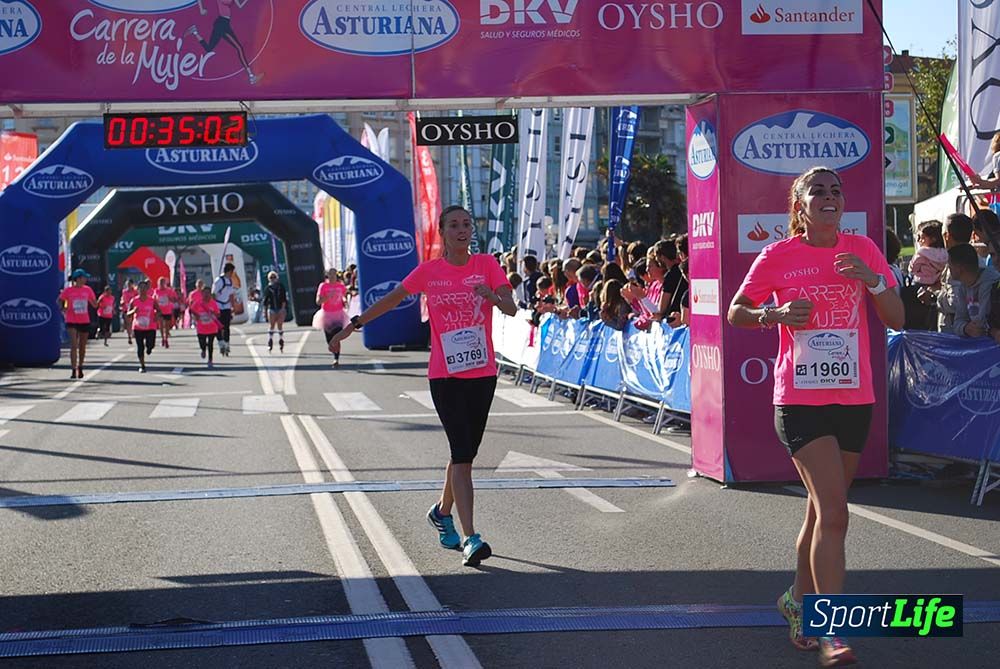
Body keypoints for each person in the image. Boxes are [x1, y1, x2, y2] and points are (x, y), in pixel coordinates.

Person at [726, 167, 903, 667]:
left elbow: (896, 317)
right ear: (800, 206)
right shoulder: (778, 255)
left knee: (820, 510)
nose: (829, 197)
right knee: (835, 512)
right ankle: (831, 630)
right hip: (800, 400)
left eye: (835, 190)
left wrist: (872, 280)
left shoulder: (863, 249)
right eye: (817, 191)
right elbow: (737, 310)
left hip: (853, 398)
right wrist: (775, 315)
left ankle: (796, 601)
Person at [330, 205, 517, 567]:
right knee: (462, 455)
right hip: (445, 375)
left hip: (482, 373)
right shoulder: (430, 271)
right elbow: (391, 300)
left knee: (465, 455)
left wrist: (493, 297)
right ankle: (471, 537)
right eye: (454, 225)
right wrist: (353, 325)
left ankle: (441, 512)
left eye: (466, 224)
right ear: (442, 232)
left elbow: (511, 307)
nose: (461, 230)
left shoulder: (487, 265)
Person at [186, 0, 262, 85]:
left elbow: (240, 6)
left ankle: (195, 32)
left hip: (223, 23)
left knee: (209, 48)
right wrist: (201, 9)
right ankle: (251, 77)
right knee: (239, 48)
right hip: (222, 24)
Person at [950, 243, 1000, 338]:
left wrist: (976, 328)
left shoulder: (990, 283)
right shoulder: (963, 286)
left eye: (950, 265)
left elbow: (984, 322)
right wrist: (965, 328)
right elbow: (958, 321)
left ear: (960, 268)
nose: (949, 268)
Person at [58, 269, 98, 379]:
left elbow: (94, 304)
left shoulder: (88, 290)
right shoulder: (68, 290)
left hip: (84, 320)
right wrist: (63, 309)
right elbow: (60, 300)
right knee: (74, 345)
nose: (86, 279)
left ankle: (80, 366)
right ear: (78, 278)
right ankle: (73, 369)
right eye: (84, 277)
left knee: (82, 346)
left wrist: (97, 303)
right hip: (71, 320)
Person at [316, 268, 348, 367]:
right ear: (327, 275)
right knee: (329, 339)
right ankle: (334, 352)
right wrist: (325, 299)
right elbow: (318, 302)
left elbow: (345, 296)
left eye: (334, 274)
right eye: (330, 274)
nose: (332, 276)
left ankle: (336, 358)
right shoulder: (323, 286)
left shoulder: (341, 286)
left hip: (338, 314)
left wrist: (345, 301)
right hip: (327, 315)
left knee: (337, 336)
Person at [128, 280, 158, 373]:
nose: (142, 290)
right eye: (140, 288)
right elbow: (128, 314)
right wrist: (133, 311)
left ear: (147, 289)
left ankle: (149, 348)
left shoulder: (152, 300)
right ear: (138, 290)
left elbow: (159, 311)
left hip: (150, 326)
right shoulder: (134, 301)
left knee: (151, 344)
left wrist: (156, 316)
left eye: (144, 288)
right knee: (140, 347)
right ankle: (142, 366)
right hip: (138, 327)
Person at [908, 221, 948, 288]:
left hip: (921, 282)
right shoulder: (945, 253)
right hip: (938, 282)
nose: (919, 240)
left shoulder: (922, 253)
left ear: (933, 239)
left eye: (922, 238)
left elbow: (913, 268)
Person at [190, 285, 222, 368]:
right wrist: (196, 316)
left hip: (212, 327)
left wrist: (214, 313)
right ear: (202, 294)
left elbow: (218, 314)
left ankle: (210, 359)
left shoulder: (213, 303)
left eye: (208, 293)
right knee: (202, 343)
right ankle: (203, 350)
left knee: (210, 344)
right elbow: (191, 310)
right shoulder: (198, 303)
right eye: (205, 293)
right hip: (201, 328)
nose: (206, 295)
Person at [212, 263, 237, 356]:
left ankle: (227, 344)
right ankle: (221, 343)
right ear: (229, 271)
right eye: (232, 272)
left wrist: (233, 306)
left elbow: (231, 295)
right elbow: (213, 294)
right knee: (218, 326)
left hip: (226, 306)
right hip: (218, 306)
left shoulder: (230, 281)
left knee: (227, 326)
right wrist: (213, 307)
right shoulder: (219, 281)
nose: (232, 274)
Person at [262, 271, 289, 353]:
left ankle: (281, 340)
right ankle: (270, 341)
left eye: (274, 277)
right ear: (269, 279)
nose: (273, 279)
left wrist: (283, 309)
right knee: (272, 325)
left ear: (277, 278)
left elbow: (284, 298)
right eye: (271, 278)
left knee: (280, 325)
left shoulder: (280, 287)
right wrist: (265, 311)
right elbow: (265, 301)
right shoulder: (268, 288)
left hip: (280, 308)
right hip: (272, 308)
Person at [152, 277, 177, 349]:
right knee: (161, 325)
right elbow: (154, 300)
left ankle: (166, 339)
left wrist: (170, 298)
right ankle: (163, 338)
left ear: (165, 283)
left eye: (163, 283)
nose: (161, 284)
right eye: (160, 283)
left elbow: (174, 299)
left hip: (167, 310)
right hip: (159, 310)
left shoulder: (169, 291)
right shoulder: (156, 291)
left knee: (167, 326)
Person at [120, 278, 138, 345]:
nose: (128, 285)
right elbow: (122, 298)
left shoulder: (135, 291)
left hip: (134, 309)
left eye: (130, 284)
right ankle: (129, 336)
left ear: (132, 284)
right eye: (127, 284)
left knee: (134, 322)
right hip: (126, 309)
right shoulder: (124, 291)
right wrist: (122, 302)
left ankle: (134, 332)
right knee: (128, 323)